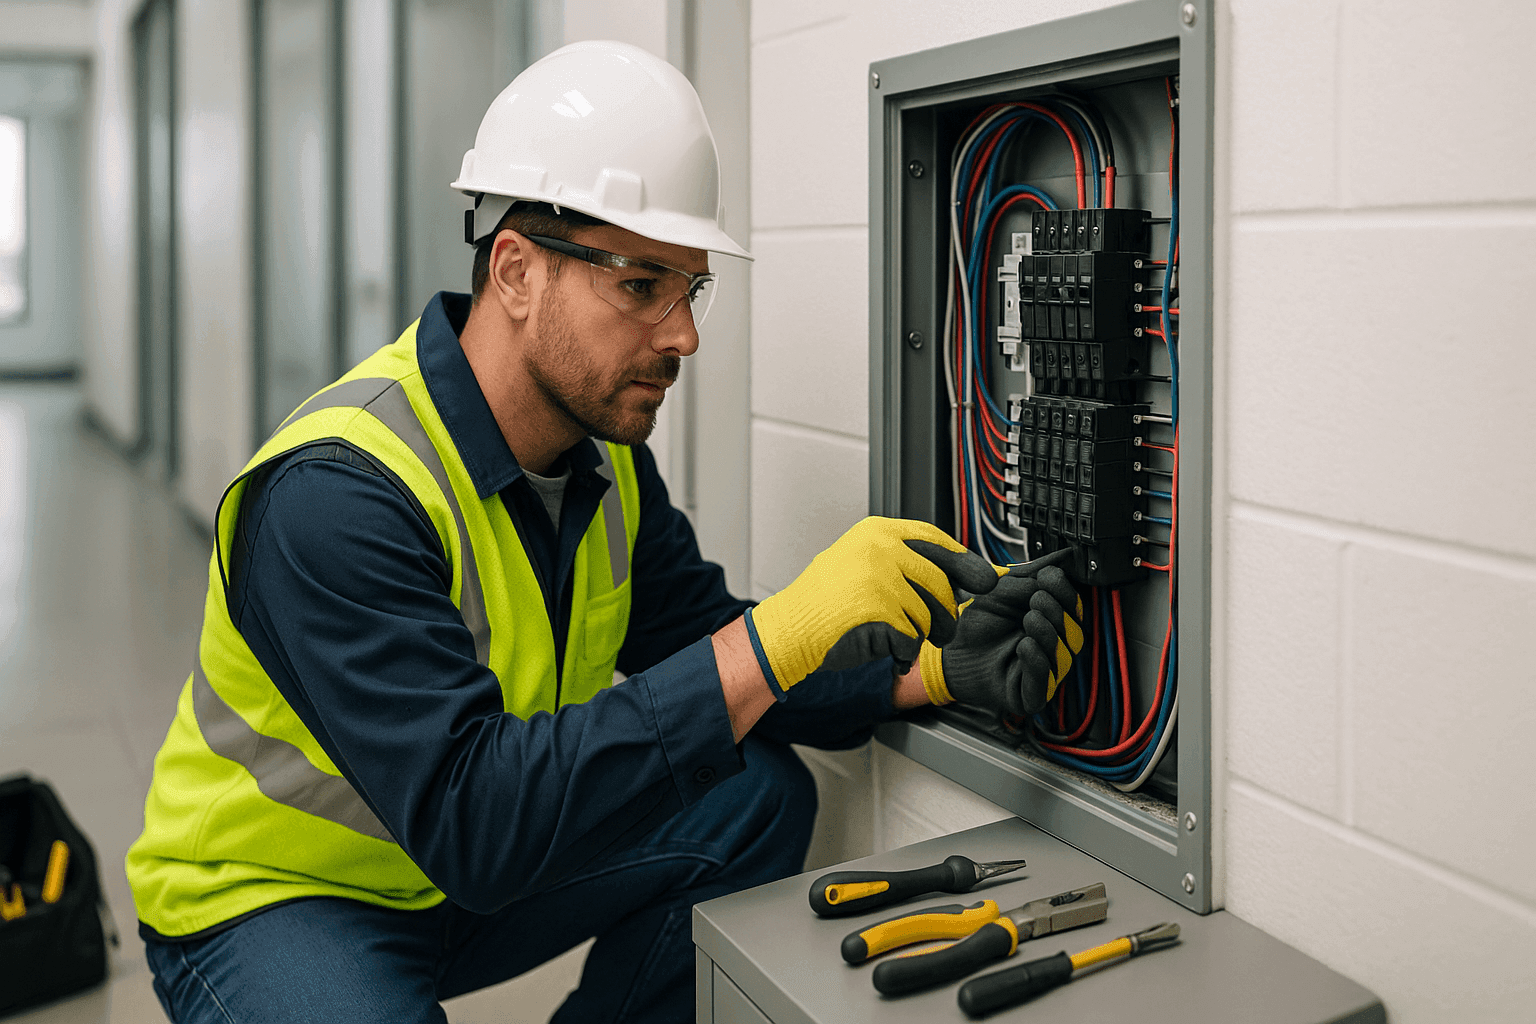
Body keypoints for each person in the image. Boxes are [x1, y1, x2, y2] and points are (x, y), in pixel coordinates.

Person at [126, 41, 1084, 1024]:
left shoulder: (605, 458)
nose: (683, 336)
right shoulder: (337, 495)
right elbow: (476, 821)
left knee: (753, 792)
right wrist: (775, 635)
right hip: (278, 893)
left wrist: (925, 674)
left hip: (455, 876)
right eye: (640, 287)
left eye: (690, 289)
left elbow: (698, 644)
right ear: (515, 272)